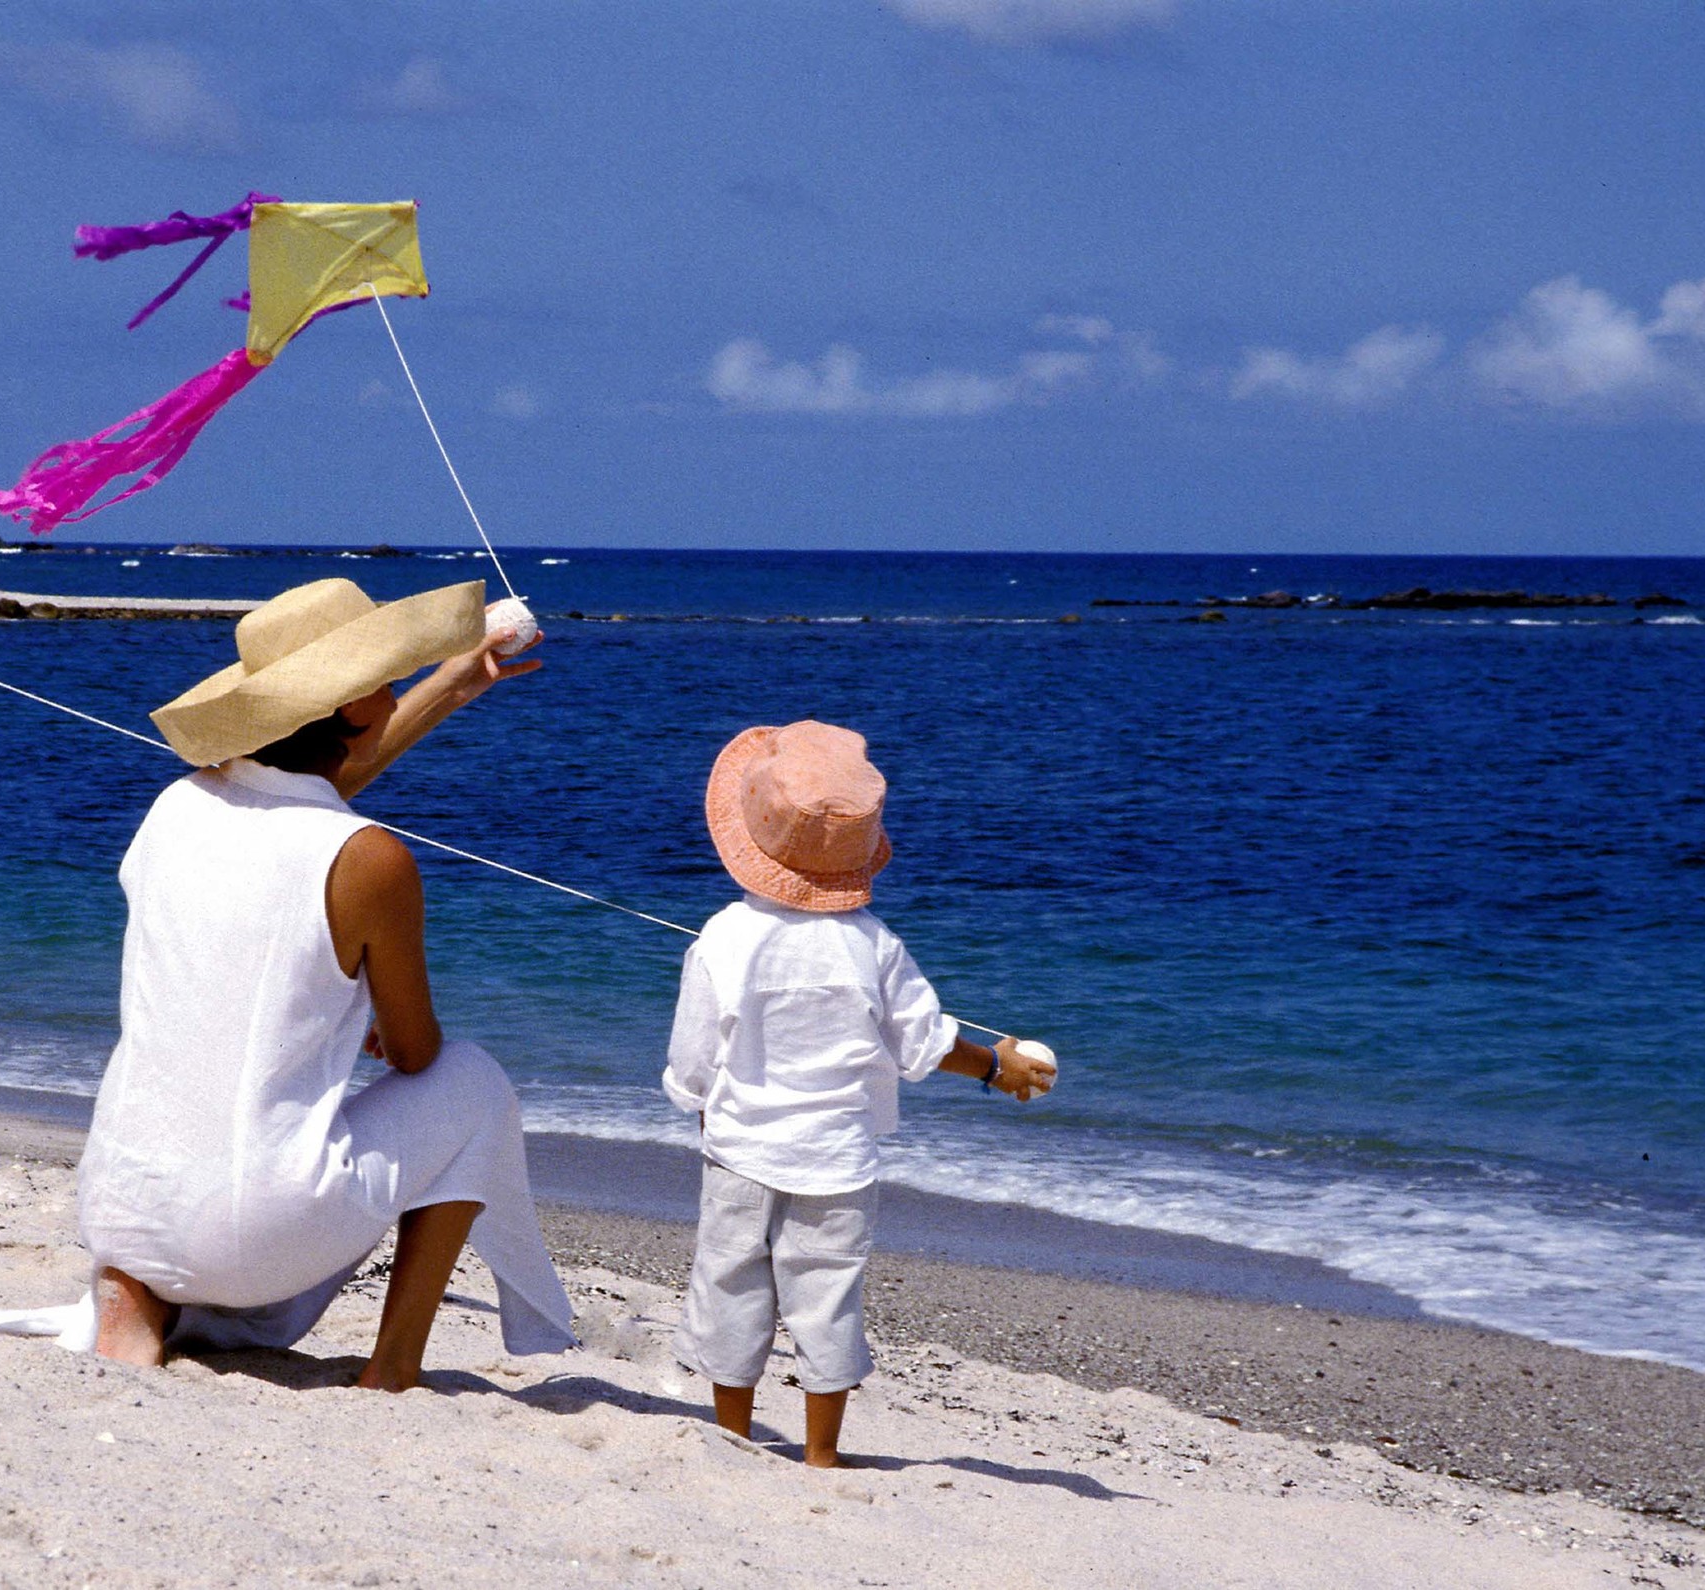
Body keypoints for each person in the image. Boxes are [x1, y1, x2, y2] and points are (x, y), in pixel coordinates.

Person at [76, 577, 577, 1390]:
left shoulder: (177, 805)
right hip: (245, 1240)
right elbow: (415, 1056)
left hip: (119, 1211)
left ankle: (137, 1293)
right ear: (348, 709)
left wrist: (450, 684)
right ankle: (394, 1367)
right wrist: (386, 1014)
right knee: (473, 1084)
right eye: (383, 677)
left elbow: (304, 801)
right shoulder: (371, 856)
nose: (392, 686)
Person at [663, 720, 1057, 1466]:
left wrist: (698, 1099)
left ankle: (732, 1440)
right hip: (839, 1162)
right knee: (826, 1297)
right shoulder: (874, 943)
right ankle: (820, 1455)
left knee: (730, 1287)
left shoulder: (720, 937)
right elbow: (924, 1042)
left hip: (742, 1150)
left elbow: (692, 1058)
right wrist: (994, 1065)